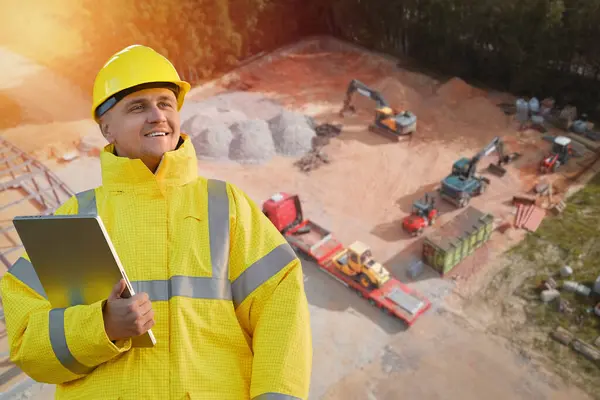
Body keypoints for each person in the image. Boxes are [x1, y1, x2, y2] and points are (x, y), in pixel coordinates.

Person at [0, 45, 312, 400]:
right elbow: (28, 343)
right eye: (138, 107)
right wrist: (101, 327)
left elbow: (281, 310)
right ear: (106, 128)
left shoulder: (226, 206)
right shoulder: (74, 218)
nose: (157, 116)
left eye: (166, 103)